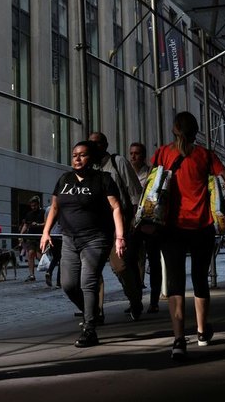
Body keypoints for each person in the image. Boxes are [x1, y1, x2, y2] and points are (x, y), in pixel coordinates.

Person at [152, 112, 225, 360]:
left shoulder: (163, 154)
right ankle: (201, 332)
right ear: (196, 130)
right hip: (202, 226)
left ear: (174, 129)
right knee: (200, 278)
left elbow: (152, 183)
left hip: (171, 227)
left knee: (175, 282)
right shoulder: (206, 155)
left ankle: (178, 340)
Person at [40, 140, 126, 348]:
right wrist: (46, 232)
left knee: (88, 282)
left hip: (96, 238)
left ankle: (89, 328)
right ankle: (92, 312)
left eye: (83, 154)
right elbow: (54, 207)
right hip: (69, 238)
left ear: (92, 158)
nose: (77, 158)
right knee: (69, 284)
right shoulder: (64, 179)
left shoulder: (103, 179)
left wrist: (119, 237)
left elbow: (116, 207)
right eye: (74, 154)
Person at [89, 132, 144, 320]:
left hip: (119, 223)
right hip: (97, 226)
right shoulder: (90, 168)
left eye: (97, 143)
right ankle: (95, 312)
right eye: (90, 143)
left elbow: (135, 192)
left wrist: (134, 222)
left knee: (120, 266)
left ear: (105, 145)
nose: (93, 147)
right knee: (93, 269)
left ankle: (135, 300)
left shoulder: (117, 162)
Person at [130, 142, 162, 313]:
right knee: (133, 261)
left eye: (137, 153)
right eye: (132, 153)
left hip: (150, 222)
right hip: (134, 223)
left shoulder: (151, 173)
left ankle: (154, 300)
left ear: (143, 155)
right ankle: (135, 300)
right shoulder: (127, 173)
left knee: (154, 261)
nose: (133, 156)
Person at [19, 195, 45, 282]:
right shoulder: (29, 214)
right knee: (30, 254)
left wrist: (38, 225)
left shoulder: (43, 212)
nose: (33, 207)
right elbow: (26, 225)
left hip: (41, 237)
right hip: (31, 237)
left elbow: (46, 224)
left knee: (38, 256)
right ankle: (31, 275)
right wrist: (21, 235)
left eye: (35, 205)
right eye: (32, 206)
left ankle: (48, 269)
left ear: (38, 204)